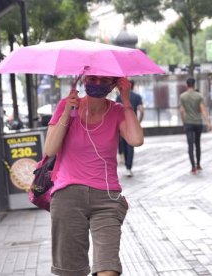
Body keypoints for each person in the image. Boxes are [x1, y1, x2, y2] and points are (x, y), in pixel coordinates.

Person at [44, 75, 143, 276]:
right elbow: (50, 149)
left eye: (104, 80)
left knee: (108, 268)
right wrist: (66, 113)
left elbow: (136, 139)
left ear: (113, 84)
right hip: (67, 196)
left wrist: (125, 100)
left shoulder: (116, 111)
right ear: (84, 79)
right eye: (92, 78)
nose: (96, 84)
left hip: (107, 199)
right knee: (70, 271)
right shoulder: (67, 105)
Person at [179, 77, 212, 174]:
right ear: (194, 85)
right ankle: (198, 164)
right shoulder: (199, 96)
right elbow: (203, 110)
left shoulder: (183, 96)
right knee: (197, 143)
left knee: (190, 145)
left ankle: (193, 167)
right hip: (198, 123)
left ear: (187, 85)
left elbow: (182, 111)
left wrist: (184, 121)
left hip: (188, 123)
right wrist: (208, 122)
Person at [116, 80, 144, 177]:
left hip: (122, 125)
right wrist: (139, 122)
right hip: (132, 124)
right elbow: (141, 110)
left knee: (123, 145)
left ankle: (126, 164)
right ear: (133, 85)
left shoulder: (119, 97)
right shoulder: (137, 97)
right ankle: (129, 168)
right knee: (131, 146)